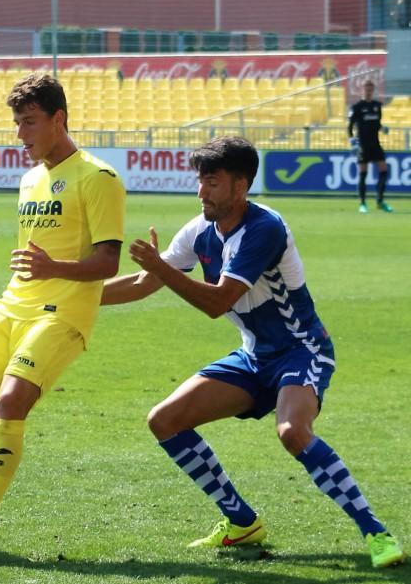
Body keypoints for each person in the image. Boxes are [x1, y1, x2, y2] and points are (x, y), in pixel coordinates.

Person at [101, 136, 405, 569]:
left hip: (302, 350)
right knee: (165, 421)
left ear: (240, 186)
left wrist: (162, 268)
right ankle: (242, 522)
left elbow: (217, 302)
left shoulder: (265, 228)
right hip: (254, 356)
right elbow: (144, 282)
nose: (201, 192)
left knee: (292, 431)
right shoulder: (199, 230)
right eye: (200, 181)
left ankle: (376, 532)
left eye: (212, 183)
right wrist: (72, 298)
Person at [0, 73, 126, 563]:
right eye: (16, 122)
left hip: (64, 313)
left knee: (10, 402)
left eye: (29, 122)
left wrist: (54, 269)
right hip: (13, 304)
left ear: (59, 119)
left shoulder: (99, 177)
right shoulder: (30, 179)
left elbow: (108, 262)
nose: (20, 134)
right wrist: (40, 270)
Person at [348, 79, 393, 213]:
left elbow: (376, 123)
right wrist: (353, 141)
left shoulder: (377, 106)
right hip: (363, 145)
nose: (368, 91)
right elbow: (350, 127)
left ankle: (380, 201)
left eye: (370, 89)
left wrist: (382, 128)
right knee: (363, 173)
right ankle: (362, 203)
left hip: (375, 144)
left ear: (373, 90)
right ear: (362, 90)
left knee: (384, 170)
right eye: (366, 89)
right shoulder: (357, 107)